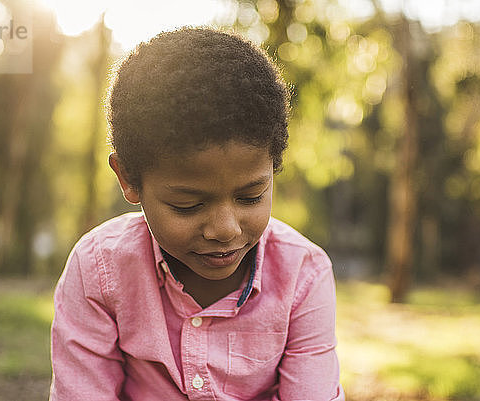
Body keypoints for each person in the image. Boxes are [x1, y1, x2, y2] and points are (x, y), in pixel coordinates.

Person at [50, 27, 344, 401]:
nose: (225, 229)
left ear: (274, 167)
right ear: (128, 179)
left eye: (251, 196)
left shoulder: (304, 275)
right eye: (188, 205)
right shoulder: (98, 270)